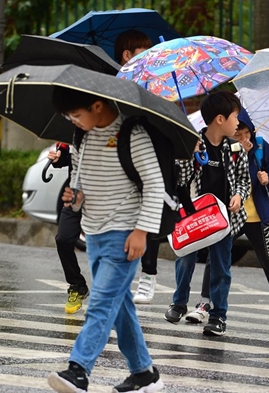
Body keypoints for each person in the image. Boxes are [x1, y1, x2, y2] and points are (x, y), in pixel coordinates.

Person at [47, 87, 164, 392]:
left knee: (100, 303)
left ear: (97, 106)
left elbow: (154, 185)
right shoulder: (81, 137)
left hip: (125, 234)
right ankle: (144, 373)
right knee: (119, 304)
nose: (73, 121)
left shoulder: (132, 134)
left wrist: (142, 231)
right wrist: (75, 198)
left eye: (76, 115)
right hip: (95, 233)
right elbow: (82, 186)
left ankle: (78, 370)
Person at [185, 109, 269, 326]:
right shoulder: (224, 149)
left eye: (246, 133)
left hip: (256, 216)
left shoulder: (261, 146)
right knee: (214, 259)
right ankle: (205, 303)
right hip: (229, 215)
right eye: (238, 134)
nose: (243, 139)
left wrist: (268, 177)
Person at [163, 91, 251, 336]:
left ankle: (218, 316)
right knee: (186, 259)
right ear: (220, 119)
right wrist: (188, 156)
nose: (238, 122)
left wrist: (239, 196)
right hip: (195, 216)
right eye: (236, 117)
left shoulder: (235, 149)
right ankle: (179, 303)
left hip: (223, 219)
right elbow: (181, 180)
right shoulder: (193, 143)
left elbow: (245, 181)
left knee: (221, 266)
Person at [112, 30, 160, 305]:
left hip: (149, 152)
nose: (149, 56)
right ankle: (123, 275)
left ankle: (149, 275)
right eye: (143, 51)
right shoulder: (113, 83)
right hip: (121, 156)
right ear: (127, 55)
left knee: (149, 213)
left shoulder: (155, 83)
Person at [47, 143, 89, 314]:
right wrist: (60, 157)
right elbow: (68, 153)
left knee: (104, 247)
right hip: (75, 194)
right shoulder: (75, 130)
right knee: (63, 238)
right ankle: (77, 285)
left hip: (105, 197)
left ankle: (108, 298)